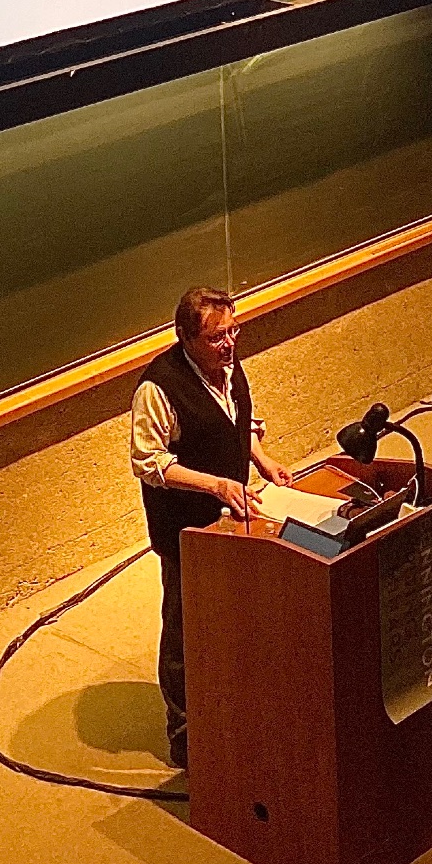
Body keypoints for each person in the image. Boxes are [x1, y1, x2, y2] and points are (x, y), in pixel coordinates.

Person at [129, 285, 292, 770]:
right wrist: (216, 486)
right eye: (217, 337)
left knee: (235, 615)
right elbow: (148, 462)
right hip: (185, 528)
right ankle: (184, 737)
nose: (229, 343)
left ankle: (233, 710)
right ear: (185, 336)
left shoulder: (229, 365)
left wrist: (260, 459)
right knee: (184, 629)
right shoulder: (158, 389)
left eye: (233, 331)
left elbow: (237, 421)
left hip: (232, 519)